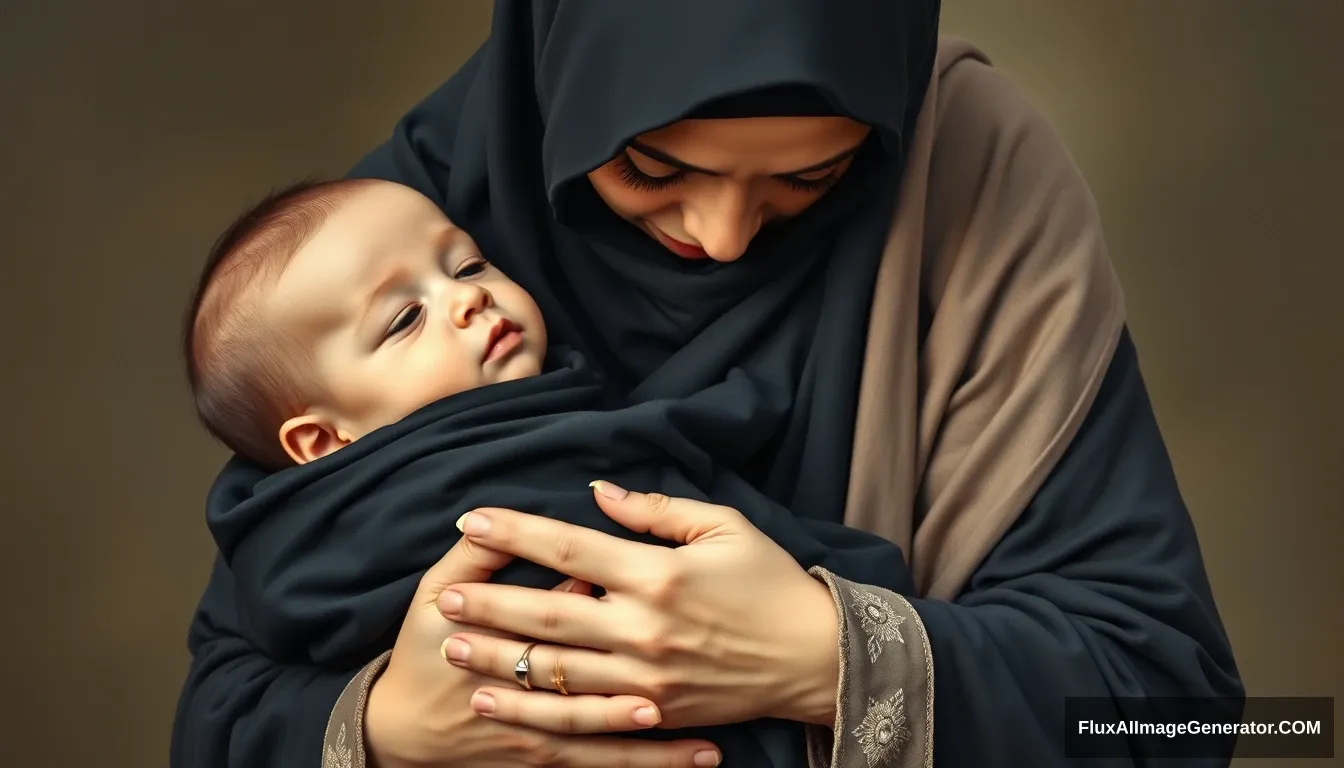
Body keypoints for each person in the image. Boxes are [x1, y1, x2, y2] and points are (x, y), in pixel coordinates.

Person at [171, 2, 1244, 767]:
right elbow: (226, 707)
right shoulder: (406, 232)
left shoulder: (966, 173)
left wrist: (822, 658)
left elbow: (1181, 714)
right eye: (652, 167)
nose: (724, 238)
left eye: (812, 177)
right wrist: (394, 729)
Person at [185, 175, 917, 765]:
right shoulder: (512, 470)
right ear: (320, 441)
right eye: (405, 319)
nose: (466, 297)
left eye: (467, 263)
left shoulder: (274, 552)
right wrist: (864, 604)